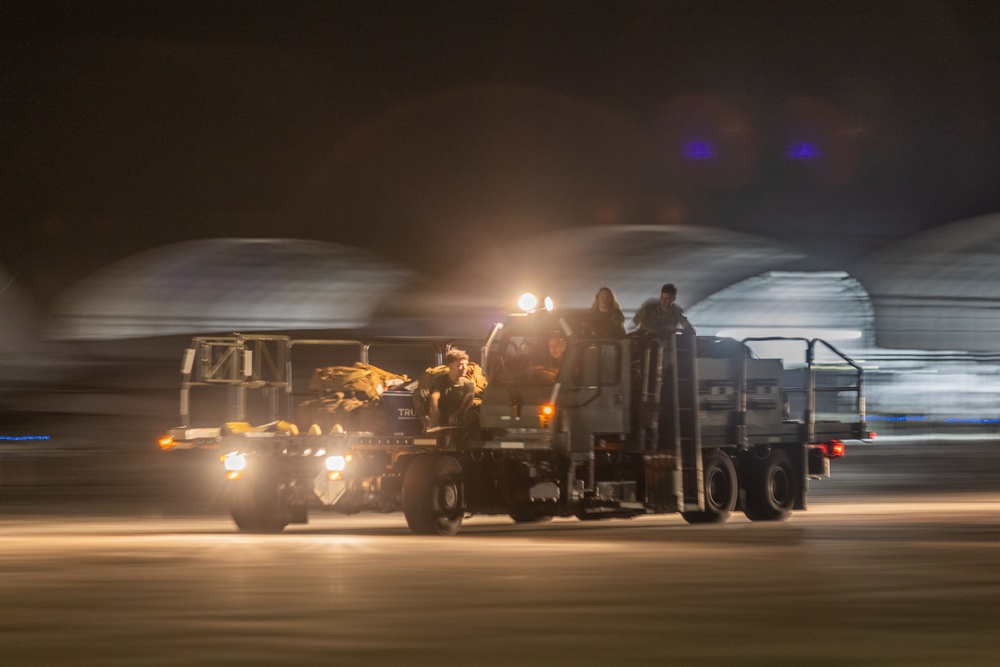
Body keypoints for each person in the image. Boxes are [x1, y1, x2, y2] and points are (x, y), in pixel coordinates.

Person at [428, 348, 476, 428]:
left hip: (459, 416)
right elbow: (434, 396)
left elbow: (467, 401)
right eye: (460, 365)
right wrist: (435, 412)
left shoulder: (469, 385)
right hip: (442, 414)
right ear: (450, 365)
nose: (465, 368)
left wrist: (456, 415)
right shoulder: (441, 381)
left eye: (466, 364)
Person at [631, 283, 696, 336]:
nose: (663, 301)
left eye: (667, 299)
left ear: (673, 299)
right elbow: (634, 323)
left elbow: (691, 332)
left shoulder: (677, 313)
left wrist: (676, 330)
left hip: (666, 345)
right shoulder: (649, 308)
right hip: (645, 341)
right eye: (662, 297)